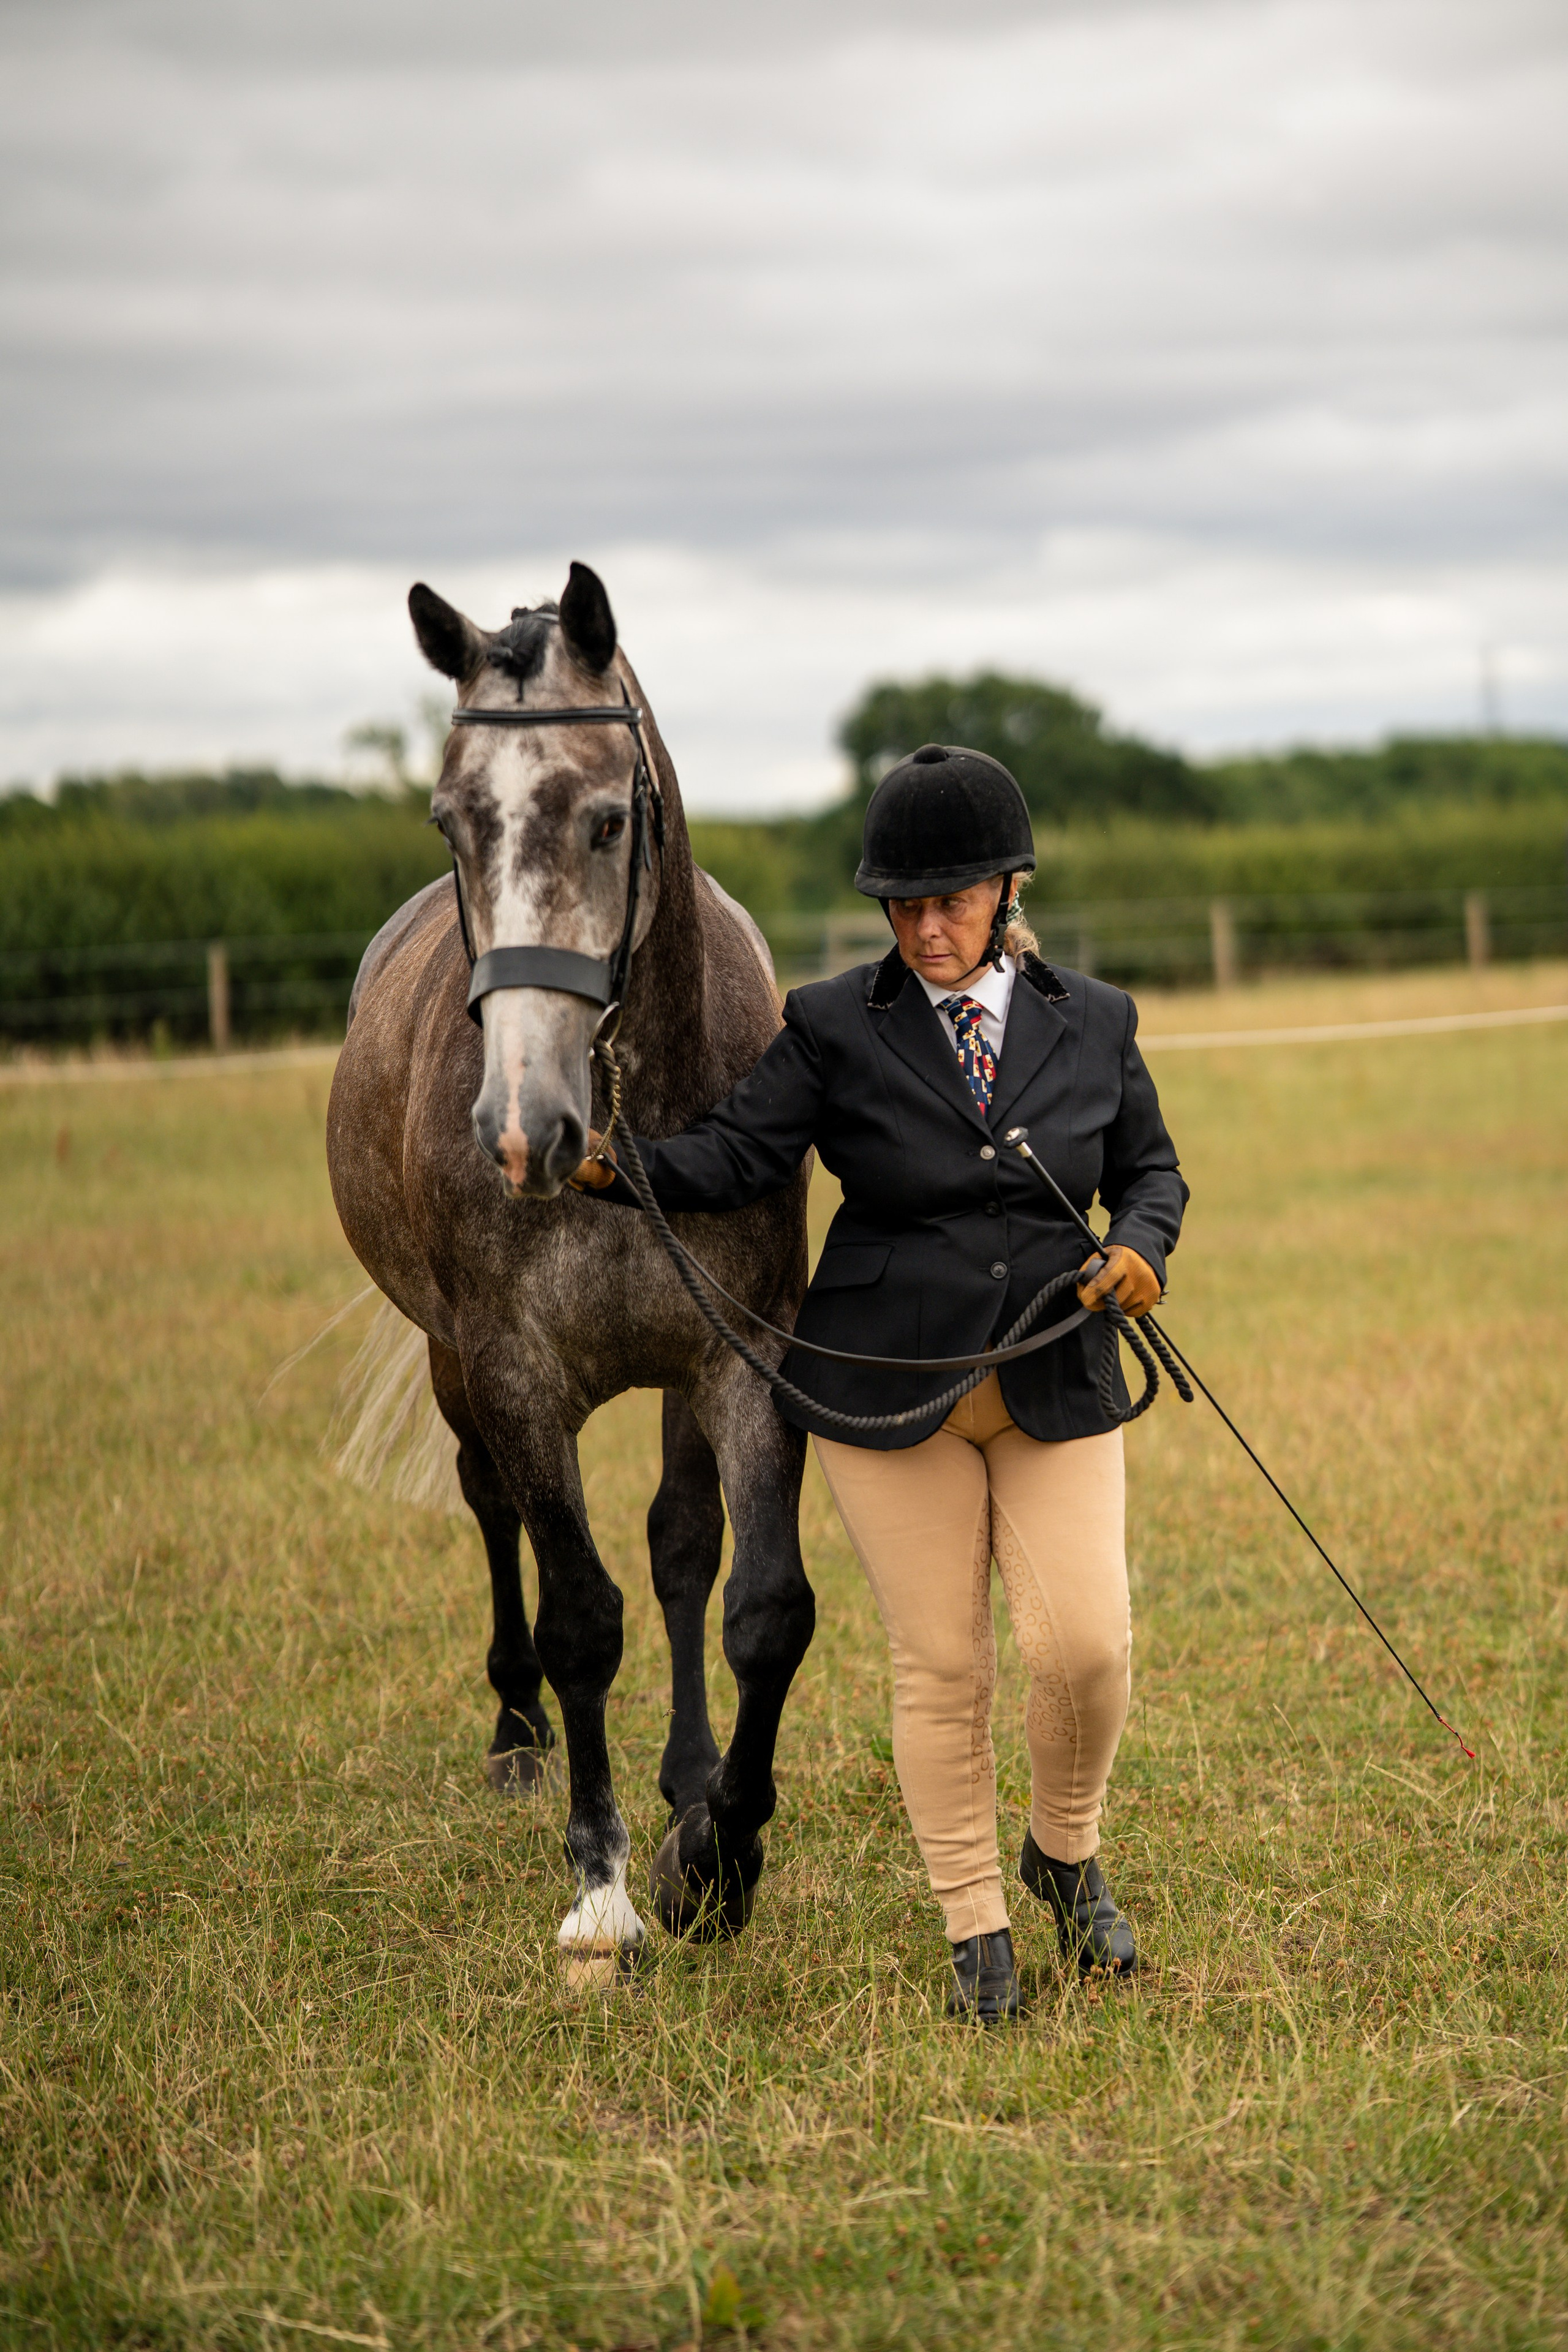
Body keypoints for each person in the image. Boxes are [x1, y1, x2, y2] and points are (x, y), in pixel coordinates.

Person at [572, 743, 1188, 2021]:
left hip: (1053, 1369)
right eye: (902, 906)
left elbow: (1151, 1171)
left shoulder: (1098, 1020)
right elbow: (737, 1154)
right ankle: (976, 1928)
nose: (924, 929)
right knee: (943, 1665)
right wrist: (615, 1164)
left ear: (1007, 892)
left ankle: (1062, 1852)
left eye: (949, 902)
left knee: (1085, 1648)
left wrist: (1139, 1245)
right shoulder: (832, 1024)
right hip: (882, 1385)